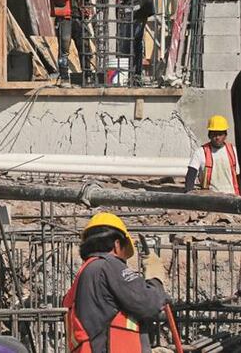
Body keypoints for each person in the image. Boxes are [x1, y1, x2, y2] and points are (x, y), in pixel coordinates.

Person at [64, 212, 169, 353]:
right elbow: (149, 304)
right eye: (125, 253)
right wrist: (156, 279)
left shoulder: (84, 275)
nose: (124, 262)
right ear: (117, 244)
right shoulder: (108, 265)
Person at [44, 0, 94, 85]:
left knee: (85, 47)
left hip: (79, 17)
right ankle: (64, 77)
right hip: (64, 18)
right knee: (64, 49)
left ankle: (87, 76)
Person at [116, 0, 154, 83]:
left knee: (127, 44)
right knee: (137, 44)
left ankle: (126, 76)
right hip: (142, 12)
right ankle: (136, 75)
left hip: (134, 13)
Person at [185, 115, 240, 194]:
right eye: (214, 134)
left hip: (232, 196)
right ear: (209, 135)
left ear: (225, 135)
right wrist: (188, 194)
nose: (217, 137)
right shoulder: (200, 152)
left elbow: (238, 175)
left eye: (220, 134)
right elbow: (191, 175)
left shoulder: (233, 151)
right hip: (210, 198)